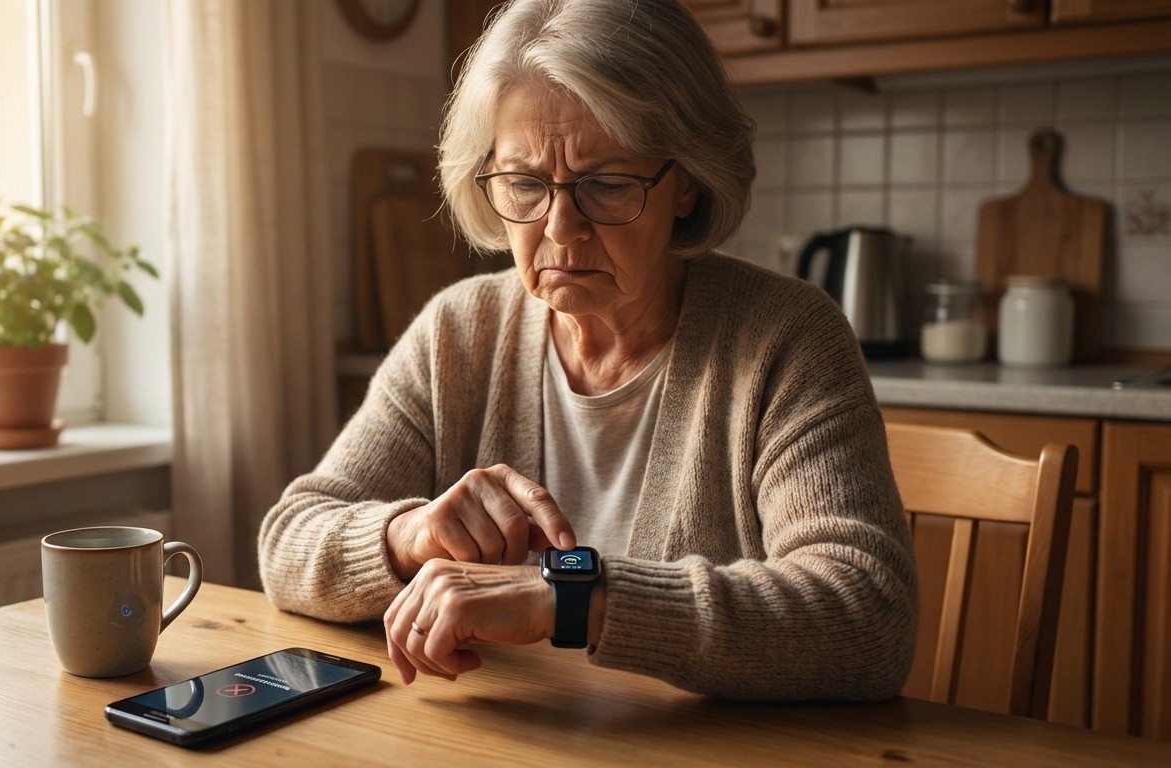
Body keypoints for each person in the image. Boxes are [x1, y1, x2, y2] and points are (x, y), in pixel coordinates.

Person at [259, 0, 917, 702]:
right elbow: (288, 543)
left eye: (606, 185)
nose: (560, 229)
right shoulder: (457, 332)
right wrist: (409, 534)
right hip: (503, 736)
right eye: (524, 184)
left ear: (687, 185)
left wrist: (572, 593)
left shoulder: (785, 338)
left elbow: (867, 617)